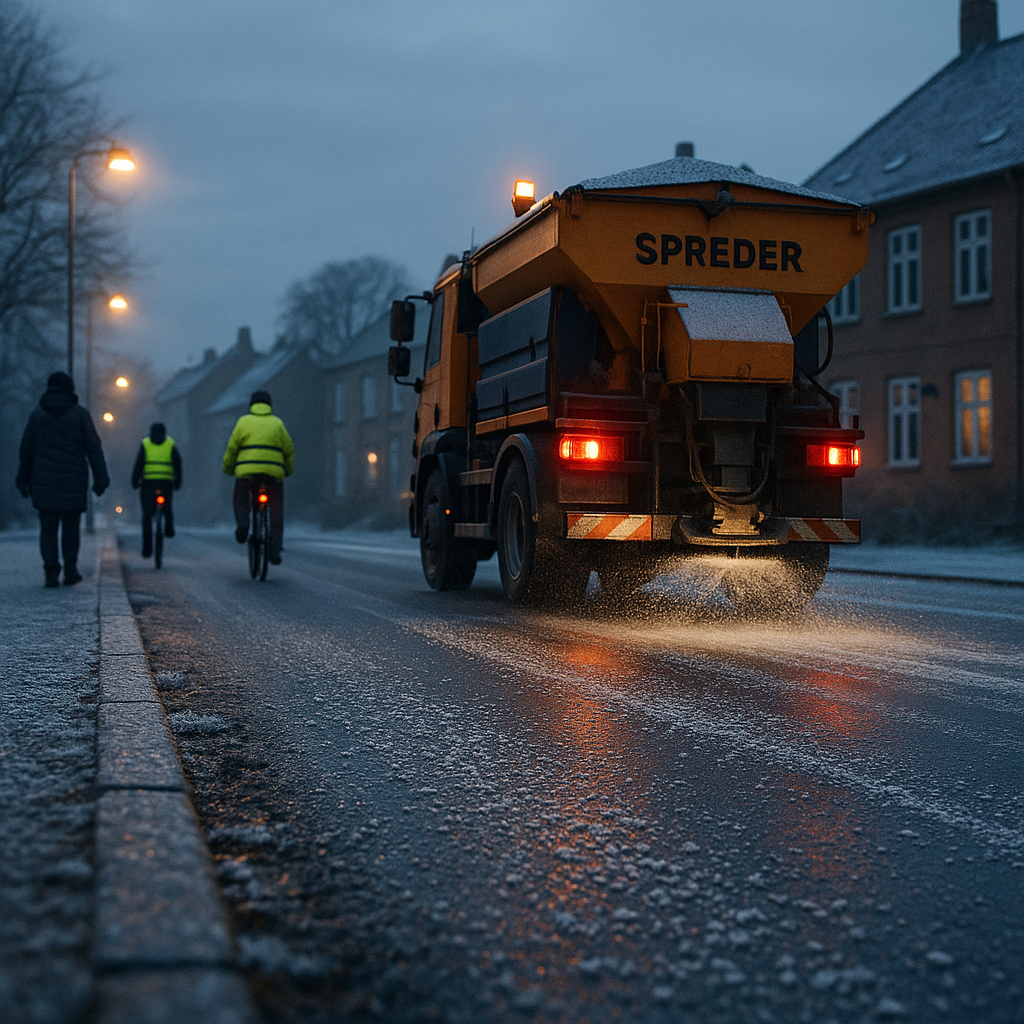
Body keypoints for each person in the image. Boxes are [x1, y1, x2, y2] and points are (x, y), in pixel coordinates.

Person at [16, 371, 110, 587]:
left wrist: (23, 479)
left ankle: (50, 571)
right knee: (71, 527)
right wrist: (100, 479)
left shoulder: (37, 416)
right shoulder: (80, 415)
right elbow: (94, 448)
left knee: (48, 528)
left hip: (43, 482)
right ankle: (70, 569)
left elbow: (26, 450)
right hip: (73, 482)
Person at [222, 389, 294, 564]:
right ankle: (274, 549)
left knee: (241, 499)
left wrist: (228, 469)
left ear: (251, 405)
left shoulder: (243, 422)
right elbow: (288, 450)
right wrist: (287, 471)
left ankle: (243, 527)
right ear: (269, 405)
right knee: (276, 508)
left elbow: (232, 449)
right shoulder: (277, 423)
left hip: (248, 474)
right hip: (273, 475)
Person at [131, 422, 182, 558]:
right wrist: (178, 481)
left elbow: (139, 463)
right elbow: (178, 463)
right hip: (166, 482)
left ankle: (147, 549)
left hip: (148, 483)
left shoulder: (146, 443)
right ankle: (169, 527)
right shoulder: (170, 444)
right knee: (167, 506)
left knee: (147, 516)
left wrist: (135, 481)